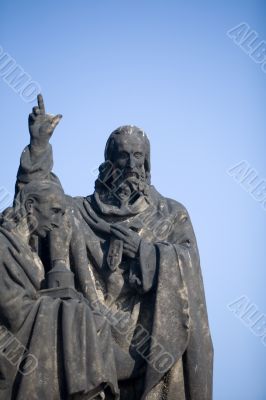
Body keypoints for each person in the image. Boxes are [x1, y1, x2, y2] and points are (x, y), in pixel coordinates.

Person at [16, 94, 213, 400]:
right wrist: (39, 148)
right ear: (108, 162)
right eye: (123, 156)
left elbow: (189, 275)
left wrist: (148, 254)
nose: (131, 165)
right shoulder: (76, 213)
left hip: (151, 344)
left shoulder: (171, 215)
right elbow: (36, 203)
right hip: (89, 343)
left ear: (147, 164)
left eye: (139, 157)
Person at [0, 180, 119, 400]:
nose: (57, 222)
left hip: (30, 329)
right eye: (54, 211)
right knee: (78, 314)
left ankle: (92, 391)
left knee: (96, 321)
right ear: (29, 206)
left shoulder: (31, 251)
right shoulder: (3, 245)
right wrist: (70, 310)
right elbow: (12, 309)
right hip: (10, 343)